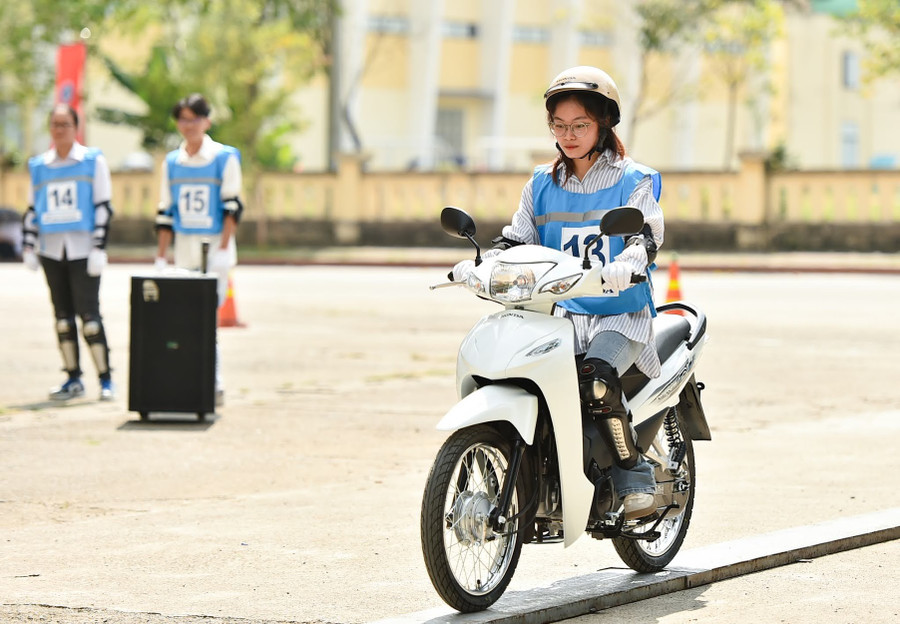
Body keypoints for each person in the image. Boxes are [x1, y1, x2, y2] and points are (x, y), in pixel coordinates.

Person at [452, 66, 664, 522]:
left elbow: (644, 236)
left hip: (618, 314)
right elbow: (515, 238)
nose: (568, 135)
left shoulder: (634, 179)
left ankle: (634, 470)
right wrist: (480, 265)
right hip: (558, 314)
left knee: (597, 377)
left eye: (580, 125)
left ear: (603, 123)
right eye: (560, 125)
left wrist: (626, 266)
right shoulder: (541, 183)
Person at [21, 104, 115, 401]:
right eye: (55, 124)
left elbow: (103, 205)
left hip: (83, 249)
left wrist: (100, 246)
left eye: (65, 124)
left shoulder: (91, 160)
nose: (59, 129)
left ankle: (105, 379)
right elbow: (32, 209)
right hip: (51, 249)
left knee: (89, 316)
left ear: (76, 127)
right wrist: (29, 246)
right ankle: (73, 377)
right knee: (62, 317)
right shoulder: (39, 166)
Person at [154, 94, 243, 404]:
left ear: (207, 121)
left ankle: (212, 379)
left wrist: (222, 249)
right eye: (183, 119)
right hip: (185, 251)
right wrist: (161, 256)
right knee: (184, 316)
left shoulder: (223, 157)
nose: (188, 126)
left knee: (208, 316)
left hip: (214, 250)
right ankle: (189, 376)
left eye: (194, 119)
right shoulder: (172, 162)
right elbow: (165, 211)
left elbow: (231, 206)